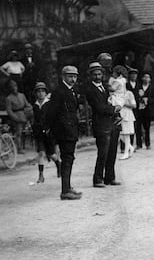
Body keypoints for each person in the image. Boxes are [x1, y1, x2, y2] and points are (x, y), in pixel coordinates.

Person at [46, 66, 82, 200]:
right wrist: (56, 128)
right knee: (67, 159)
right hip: (64, 131)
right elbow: (52, 113)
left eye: (75, 76)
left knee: (69, 158)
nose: (73, 79)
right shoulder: (59, 92)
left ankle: (67, 187)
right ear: (63, 77)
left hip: (70, 130)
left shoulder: (70, 91)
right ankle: (65, 190)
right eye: (70, 76)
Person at [85, 62, 123, 188]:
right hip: (101, 124)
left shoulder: (106, 87)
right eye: (95, 74)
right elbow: (99, 107)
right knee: (103, 152)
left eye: (99, 74)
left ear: (102, 74)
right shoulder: (90, 90)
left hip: (112, 123)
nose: (97, 76)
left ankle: (110, 178)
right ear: (91, 76)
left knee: (112, 151)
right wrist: (114, 109)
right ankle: (97, 179)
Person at [32, 82, 61, 183]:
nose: (40, 93)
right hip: (39, 132)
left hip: (49, 132)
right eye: (38, 91)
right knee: (40, 153)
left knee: (51, 154)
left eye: (42, 91)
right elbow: (35, 119)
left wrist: (51, 128)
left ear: (45, 93)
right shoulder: (35, 105)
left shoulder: (49, 104)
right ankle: (41, 175)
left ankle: (58, 163)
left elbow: (53, 117)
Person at [5, 79, 32, 154]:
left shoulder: (22, 95)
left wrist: (29, 109)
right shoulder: (9, 98)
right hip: (16, 116)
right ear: (10, 89)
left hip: (24, 115)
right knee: (18, 133)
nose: (14, 88)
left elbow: (27, 104)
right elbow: (9, 110)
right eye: (12, 87)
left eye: (15, 86)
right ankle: (19, 148)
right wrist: (16, 118)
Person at [135, 72, 154, 149]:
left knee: (147, 127)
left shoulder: (153, 88)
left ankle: (147, 143)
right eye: (145, 77)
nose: (146, 79)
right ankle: (138, 144)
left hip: (148, 110)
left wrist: (148, 100)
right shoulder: (138, 87)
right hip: (139, 110)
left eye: (148, 77)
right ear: (142, 78)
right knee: (138, 127)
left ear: (150, 79)